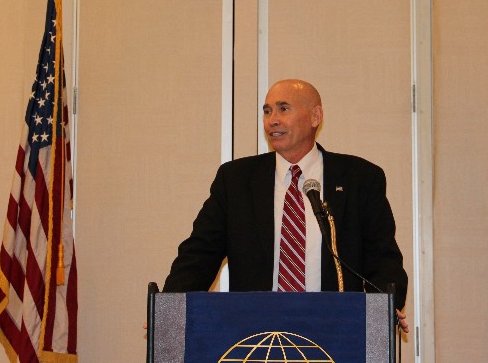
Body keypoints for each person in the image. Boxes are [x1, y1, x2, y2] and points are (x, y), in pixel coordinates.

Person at [162, 79, 409, 331]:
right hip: (254, 335)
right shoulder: (236, 179)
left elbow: (383, 259)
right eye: (267, 111)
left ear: (315, 116)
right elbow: (199, 254)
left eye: (283, 109)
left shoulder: (360, 178)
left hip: (335, 332)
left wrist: (383, 313)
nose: (272, 120)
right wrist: (168, 311)